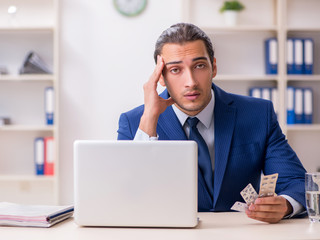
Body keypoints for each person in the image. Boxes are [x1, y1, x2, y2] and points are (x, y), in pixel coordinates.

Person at [117, 23, 306, 223]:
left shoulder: (258, 114)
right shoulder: (133, 123)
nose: (190, 81)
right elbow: (125, 195)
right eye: (175, 70)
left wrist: (285, 204)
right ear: (160, 77)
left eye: (199, 66)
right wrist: (149, 119)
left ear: (213, 67)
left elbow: (297, 182)